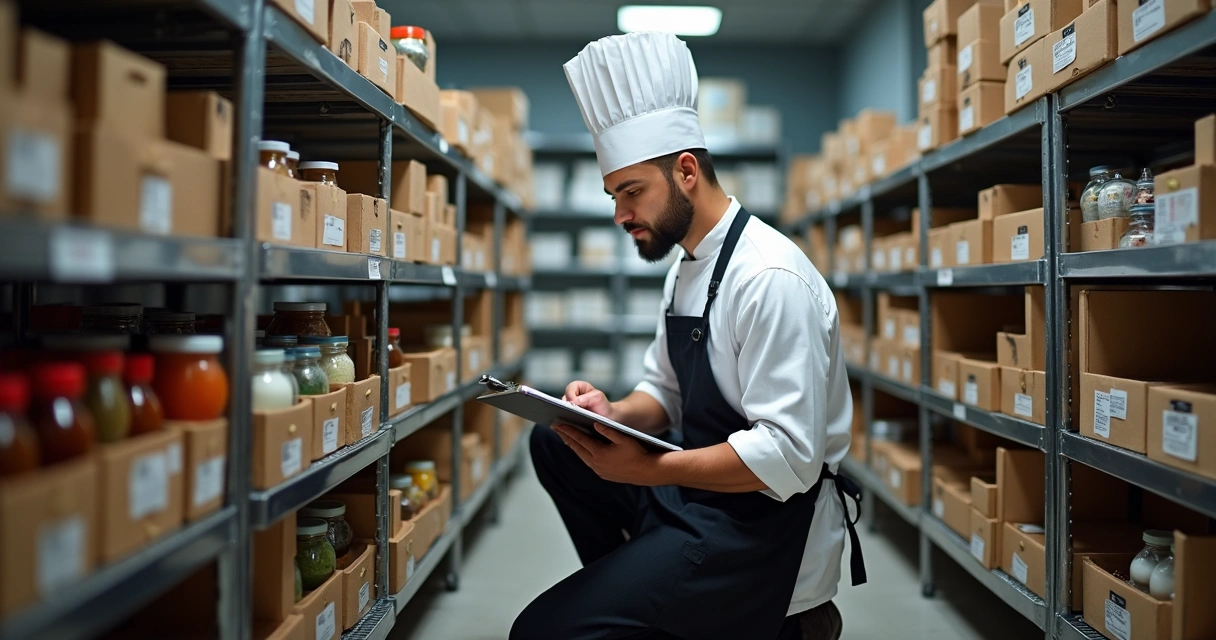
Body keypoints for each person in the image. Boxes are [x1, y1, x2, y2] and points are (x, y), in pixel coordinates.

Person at [511, 31, 865, 640]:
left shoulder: (770, 277)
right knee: (557, 445)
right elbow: (666, 391)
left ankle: (786, 625)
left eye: (631, 192)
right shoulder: (686, 267)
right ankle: (653, 600)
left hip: (762, 531)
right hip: (699, 498)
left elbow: (787, 458)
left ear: (686, 171)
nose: (620, 214)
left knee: (540, 633)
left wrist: (650, 471)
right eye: (613, 195)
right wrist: (611, 412)